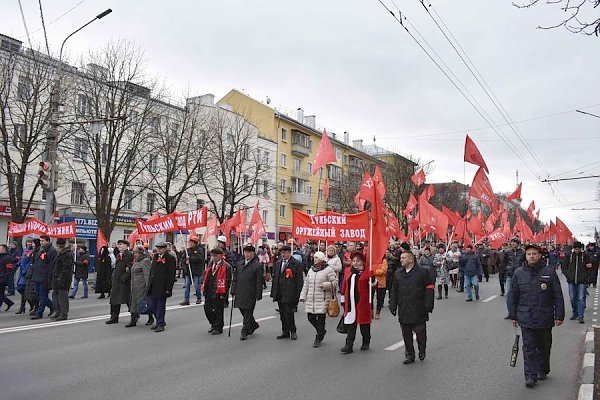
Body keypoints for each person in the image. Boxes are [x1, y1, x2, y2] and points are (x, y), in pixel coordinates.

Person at [508, 244, 565, 388]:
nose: (532, 256)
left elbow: (557, 295)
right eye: (529, 254)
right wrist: (513, 315)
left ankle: (542, 369)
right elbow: (513, 296)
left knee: (544, 346)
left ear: (539, 255)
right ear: (525, 256)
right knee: (528, 348)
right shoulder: (519, 273)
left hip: (545, 318)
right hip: (526, 318)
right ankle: (530, 376)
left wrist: (559, 315)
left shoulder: (549, 272)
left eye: (534, 254)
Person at [389, 251, 435, 364]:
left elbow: (429, 288)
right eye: (401, 258)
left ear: (411, 259)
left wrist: (428, 304)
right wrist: (392, 304)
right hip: (404, 307)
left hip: (418, 307)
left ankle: (422, 349)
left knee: (420, 333)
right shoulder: (398, 273)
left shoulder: (423, 272)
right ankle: (410, 354)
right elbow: (394, 290)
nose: (401, 260)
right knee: (406, 334)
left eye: (403, 258)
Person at [299, 251, 337, 347]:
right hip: (311, 298)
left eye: (316, 258)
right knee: (310, 317)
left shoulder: (328, 270)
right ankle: (322, 331)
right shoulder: (311, 270)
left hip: (323, 298)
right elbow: (306, 284)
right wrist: (303, 296)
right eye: (314, 257)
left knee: (321, 319)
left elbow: (335, 282)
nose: (314, 259)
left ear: (321, 259)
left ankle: (318, 337)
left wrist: (325, 285)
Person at [340, 251, 374, 353]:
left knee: (364, 325)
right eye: (354, 261)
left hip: (362, 303)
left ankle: (366, 342)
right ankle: (348, 345)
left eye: (358, 261)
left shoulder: (367, 272)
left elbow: (373, 286)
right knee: (351, 325)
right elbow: (344, 285)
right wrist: (342, 299)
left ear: (362, 262)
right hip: (350, 303)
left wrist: (372, 281)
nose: (355, 263)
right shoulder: (348, 271)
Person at [270, 245, 303, 340]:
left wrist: (298, 293)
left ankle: (293, 330)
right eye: (282, 253)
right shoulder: (278, 263)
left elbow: (299, 280)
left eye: (285, 253)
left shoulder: (295, 264)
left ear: (289, 253)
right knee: (282, 313)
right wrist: (274, 292)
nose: (283, 255)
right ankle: (285, 331)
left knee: (289, 313)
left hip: (290, 292)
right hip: (280, 292)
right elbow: (275, 277)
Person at [231, 245, 264, 341]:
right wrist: (233, 290)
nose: (247, 254)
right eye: (245, 252)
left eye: (249, 252)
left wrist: (259, 294)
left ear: (253, 254)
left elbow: (259, 281)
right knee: (242, 309)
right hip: (240, 291)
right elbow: (235, 279)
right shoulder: (239, 264)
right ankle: (253, 325)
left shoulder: (257, 265)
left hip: (251, 292)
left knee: (248, 312)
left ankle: (244, 331)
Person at [147, 242, 176, 332]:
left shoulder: (170, 258)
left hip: (162, 286)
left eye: (160, 248)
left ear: (165, 248)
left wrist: (168, 288)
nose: (159, 250)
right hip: (153, 285)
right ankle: (159, 321)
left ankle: (160, 323)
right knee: (152, 305)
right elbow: (152, 271)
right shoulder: (155, 257)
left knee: (160, 306)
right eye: (158, 248)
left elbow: (171, 274)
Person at [202, 247, 232, 335]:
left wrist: (225, 293)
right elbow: (207, 276)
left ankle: (218, 327)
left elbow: (228, 280)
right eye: (212, 256)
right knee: (207, 308)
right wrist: (204, 288)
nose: (213, 258)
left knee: (218, 310)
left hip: (219, 291)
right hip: (209, 290)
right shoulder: (211, 264)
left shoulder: (226, 266)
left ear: (220, 256)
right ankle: (213, 323)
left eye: (215, 256)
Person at [562, 241, 592, 323]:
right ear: (573, 248)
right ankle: (575, 312)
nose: (577, 250)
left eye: (578, 248)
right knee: (572, 298)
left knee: (581, 298)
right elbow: (564, 267)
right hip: (571, 281)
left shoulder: (585, 256)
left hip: (582, 281)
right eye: (576, 248)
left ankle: (580, 316)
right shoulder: (569, 256)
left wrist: (585, 276)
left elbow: (589, 268)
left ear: (581, 249)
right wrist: (568, 275)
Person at [106, 240, 133, 324]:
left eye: (121, 244)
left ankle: (134, 315)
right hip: (116, 281)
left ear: (126, 245)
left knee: (128, 300)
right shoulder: (118, 255)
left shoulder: (129, 254)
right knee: (114, 299)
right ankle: (114, 317)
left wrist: (124, 278)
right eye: (118, 244)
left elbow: (130, 267)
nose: (119, 246)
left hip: (124, 282)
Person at [31, 235, 57, 319]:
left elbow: (51, 266)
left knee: (42, 296)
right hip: (37, 276)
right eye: (41, 240)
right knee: (38, 295)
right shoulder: (40, 250)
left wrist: (49, 278)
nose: (41, 242)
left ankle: (39, 313)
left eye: (43, 241)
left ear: (48, 241)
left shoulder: (52, 250)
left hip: (44, 277)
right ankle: (52, 306)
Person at [126, 245, 152, 328]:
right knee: (133, 303)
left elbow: (147, 275)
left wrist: (148, 287)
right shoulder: (136, 262)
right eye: (134, 252)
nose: (134, 254)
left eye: (136, 252)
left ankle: (150, 317)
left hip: (142, 287)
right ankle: (133, 320)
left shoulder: (145, 261)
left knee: (144, 304)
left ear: (141, 253)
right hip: (134, 287)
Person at [50, 238, 73, 321]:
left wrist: (61, 278)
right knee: (55, 296)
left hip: (63, 280)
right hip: (57, 279)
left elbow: (66, 269)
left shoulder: (66, 254)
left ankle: (63, 314)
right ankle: (57, 312)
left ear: (58, 246)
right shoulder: (60, 254)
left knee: (62, 298)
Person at [180, 236, 205, 306]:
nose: (190, 244)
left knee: (197, 286)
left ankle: (198, 298)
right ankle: (186, 300)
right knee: (187, 286)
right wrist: (185, 262)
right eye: (190, 242)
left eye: (192, 242)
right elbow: (183, 260)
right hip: (188, 271)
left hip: (196, 271)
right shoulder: (187, 250)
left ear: (195, 243)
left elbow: (199, 259)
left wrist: (190, 259)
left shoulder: (199, 250)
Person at [505, 238, 525, 318]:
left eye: (514, 243)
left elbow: (525, 263)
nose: (512, 244)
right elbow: (504, 262)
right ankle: (510, 312)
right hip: (510, 275)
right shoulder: (508, 252)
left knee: (520, 294)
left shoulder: (523, 252)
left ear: (518, 243)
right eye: (511, 243)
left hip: (520, 275)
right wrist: (505, 271)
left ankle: (520, 311)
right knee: (508, 294)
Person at [15, 238, 35, 314]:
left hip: (27, 272)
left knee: (24, 289)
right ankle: (27, 305)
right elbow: (22, 259)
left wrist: (26, 270)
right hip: (22, 272)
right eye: (28, 242)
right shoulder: (25, 250)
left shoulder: (33, 251)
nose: (29, 243)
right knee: (20, 289)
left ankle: (24, 306)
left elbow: (30, 262)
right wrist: (17, 264)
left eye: (30, 242)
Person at [372, 254, 388, 319]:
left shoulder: (384, 261)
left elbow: (383, 271)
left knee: (380, 299)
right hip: (372, 282)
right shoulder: (371, 260)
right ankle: (371, 312)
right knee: (370, 297)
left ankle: (378, 312)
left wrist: (373, 272)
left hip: (380, 282)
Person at [0, 244, 15, 312]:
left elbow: (9, 270)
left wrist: (5, 279)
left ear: (4, 249)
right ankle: (9, 302)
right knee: (1, 294)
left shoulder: (8, 258)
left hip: (2, 278)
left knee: (0, 294)